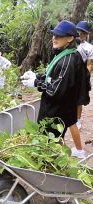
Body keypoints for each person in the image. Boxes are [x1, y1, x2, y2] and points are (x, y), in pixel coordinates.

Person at [21, 20, 88, 158]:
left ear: (70, 38)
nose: (54, 38)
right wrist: (37, 76)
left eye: (58, 36)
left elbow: (55, 90)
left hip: (56, 112)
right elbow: (52, 77)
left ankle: (52, 167)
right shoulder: (63, 54)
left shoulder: (68, 60)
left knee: (48, 144)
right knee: (53, 142)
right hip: (56, 109)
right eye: (53, 35)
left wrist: (36, 83)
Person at [75, 20, 93, 129]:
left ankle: (77, 120)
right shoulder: (70, 43)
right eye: (79, 31)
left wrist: (86, 76)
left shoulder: (89, 47)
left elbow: (89, 64)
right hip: (70, 73)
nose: (80, 34)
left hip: (81, 75)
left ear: (87, 34)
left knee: (79, 99)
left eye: (83, 32)